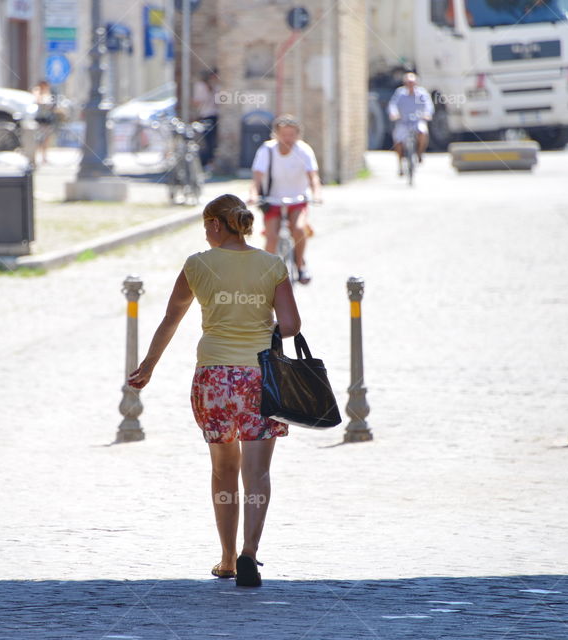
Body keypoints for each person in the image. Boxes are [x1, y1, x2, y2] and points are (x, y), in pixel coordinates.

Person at [127, 194, 301, 588]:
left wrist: (149, 366)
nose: (205, 232)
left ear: (217, 225)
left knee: (224, 470)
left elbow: (171, 319)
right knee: (257, 473)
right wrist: (263, 329)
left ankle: (225, 557)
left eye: (207, 225)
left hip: (214, 380)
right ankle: (249, 556)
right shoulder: (271, 264)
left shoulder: (197, 265)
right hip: (260, 378)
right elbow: (290, 323)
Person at [247, 115, 322, 285]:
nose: (287, 138)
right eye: (283, 134)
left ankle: (300, 264)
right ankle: (267, 272)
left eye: (291, 134)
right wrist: (253, 194)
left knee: (298, 229)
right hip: (272, 200)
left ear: (298, 135)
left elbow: (313, 177)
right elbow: (257, 178)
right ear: (276, 134)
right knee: (271, 237)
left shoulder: (304, 151)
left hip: (297, 199)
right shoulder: (267, 150)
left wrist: (317, 193)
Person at [387, 72, 434, 175]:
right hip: (403, 121)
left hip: (417, 120)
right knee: (398, 140)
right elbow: (393, 105)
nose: (410, 85)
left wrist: (427, 114)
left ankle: (419, 153)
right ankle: (400, 165)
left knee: (422, 132)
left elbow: (428, 105)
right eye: (408, 83)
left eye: (412, 83)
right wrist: (394, 114)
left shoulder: (421, 94)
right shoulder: (400, 93)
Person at [192, 68, 220, 172]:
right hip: (206, 115)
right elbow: (197, 102)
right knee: (206, 140)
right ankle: (206, 162)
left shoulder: (217, 87)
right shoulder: (202, 86)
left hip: (212, 115)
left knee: (211, 141)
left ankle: (209, 162)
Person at [32, 80, 56, 164]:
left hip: (47, 118)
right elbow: (37, 101)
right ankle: (36, 156)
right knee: (38, 139)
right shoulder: (37, 91)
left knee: (46, 139)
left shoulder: (48, 93)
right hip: (39, 118)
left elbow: (51, 104)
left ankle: (44, 156)